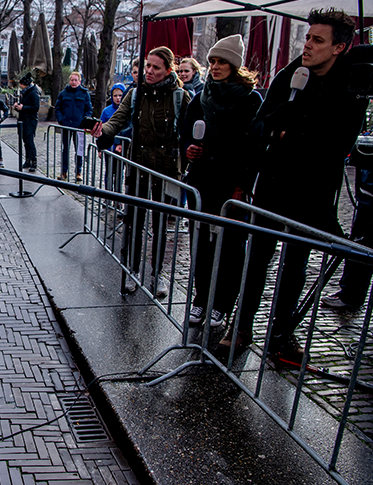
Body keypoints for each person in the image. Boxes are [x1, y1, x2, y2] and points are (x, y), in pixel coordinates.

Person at [219, 8, 369, 361]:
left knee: (296, 264)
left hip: (313, 192)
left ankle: (281, 332)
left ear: (339, 48)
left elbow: (339, 143)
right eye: (307, 37)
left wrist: (294, 133)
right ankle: (241, 326)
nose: (308, 45)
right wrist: (274, 130)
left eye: (318, 40)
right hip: (273, 184)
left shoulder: (351, 85)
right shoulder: (290, 75)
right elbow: (258, 126)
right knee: (257, 259)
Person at [89, 46, 191, 299]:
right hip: (138, 169)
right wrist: (104, 133)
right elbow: (118, 120)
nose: (149, 71)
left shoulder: (180, 97)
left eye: (156, 67)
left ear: (169, 70)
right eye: (148, 66)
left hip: (167, 172)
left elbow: (188, 132)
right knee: (133, 221)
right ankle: (132, 270)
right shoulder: (135, 94)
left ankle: (158, 274)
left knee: (160, 225)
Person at [179, 35, 263, 328]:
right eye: (212, 61)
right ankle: (201, 300)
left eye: (222, 62)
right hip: (202, 180)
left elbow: (254, 147)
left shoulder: (251, 100)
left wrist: (243, 184)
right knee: (200, 242)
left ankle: (223, 304)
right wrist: (189, 148)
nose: (215, 67)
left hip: (231, 184)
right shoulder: (203, 96)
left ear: (234, 66)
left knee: (229, 245)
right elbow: (186, 131)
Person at [322, 146, 373, 310]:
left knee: (363, 245)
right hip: (367, 194)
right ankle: (350, 292)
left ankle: (351, 294)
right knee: (360, 241)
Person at [54, 71, 93, 182]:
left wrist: (84, 121)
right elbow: (58, 108)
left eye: (76, 80)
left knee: (79, 150)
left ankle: (78, 172)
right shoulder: (63, 93)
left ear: (79, 81)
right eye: (72, 80)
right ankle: (64, 172)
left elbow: (88, 110)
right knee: (65, 150)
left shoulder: (85, 94)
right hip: (66, 126)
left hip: (79, 127)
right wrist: (61, 120)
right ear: (69, 80)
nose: (74, 82)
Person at [14, 73, 41, 172]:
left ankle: (33, 161)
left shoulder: (33, 93)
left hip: (30, 120)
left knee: (29, 142)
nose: (20, 86)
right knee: (25, 141)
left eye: (21, 84)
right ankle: (28, 160)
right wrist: (18, 107)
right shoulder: (26, 92)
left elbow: (35, 107)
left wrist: (23, 107)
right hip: (24, 119)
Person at [99, 83, 127, 154]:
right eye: (115, 95)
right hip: (109, 147)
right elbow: (101, 128)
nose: (118, 98)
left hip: (124, 147)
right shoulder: (106, 111)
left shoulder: (128, 110)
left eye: (120, 95)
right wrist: (100, 148)